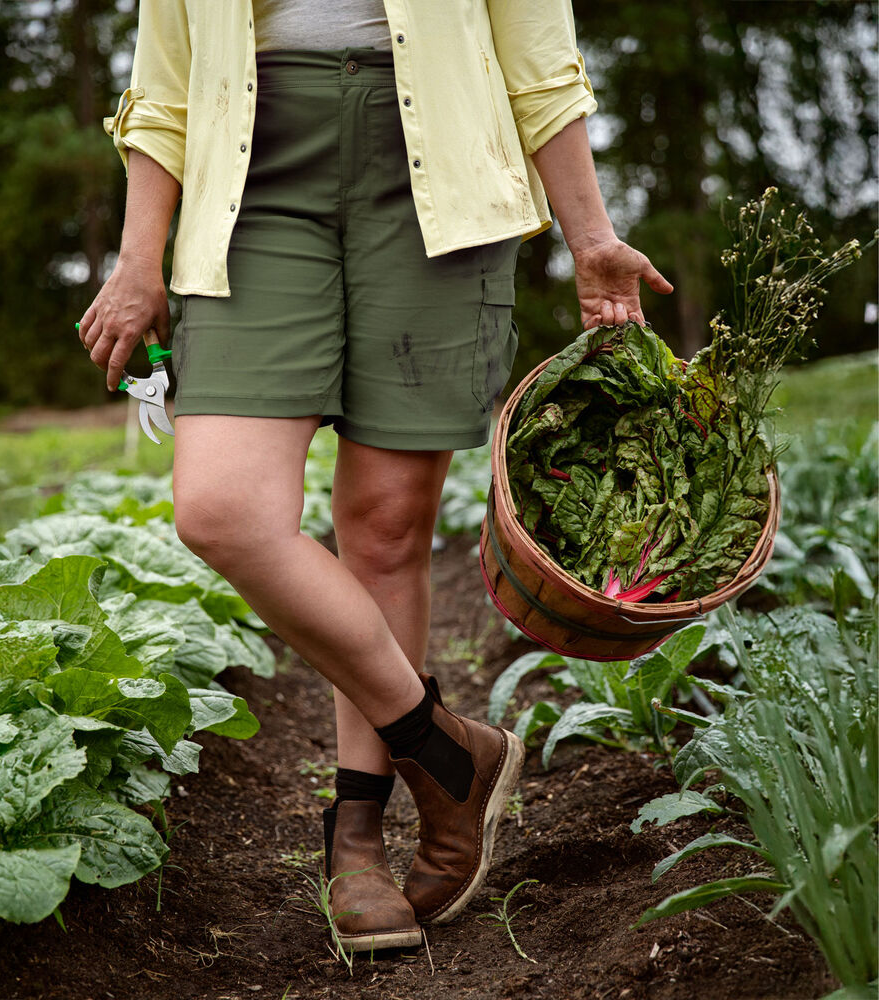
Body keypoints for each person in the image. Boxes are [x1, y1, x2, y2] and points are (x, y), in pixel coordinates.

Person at [78, 0, 673, 955]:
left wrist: (590, 233)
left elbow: (536, 53)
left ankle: (357, 839)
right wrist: (137, 255)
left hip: (438, 179)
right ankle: (450, 757)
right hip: (250, 175)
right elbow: (165, 77)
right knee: (222, 509)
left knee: (387, 525)